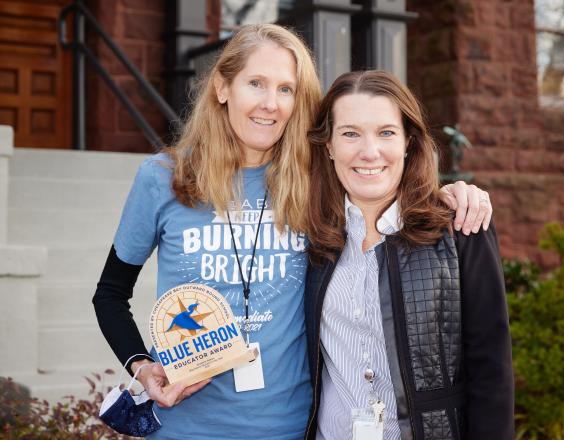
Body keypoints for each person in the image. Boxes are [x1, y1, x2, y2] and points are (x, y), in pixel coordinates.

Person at [92, 25, 493, 439]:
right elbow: (109, 293)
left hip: (290, 426)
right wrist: (140, 364)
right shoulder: (164, 178)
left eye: (287, 89)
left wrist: (453, 194)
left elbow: (380, 180)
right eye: (256, 84)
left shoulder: (314, 178)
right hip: (184, 425)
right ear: (222, 87)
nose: (271, 104)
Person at [304, 70, 514, 440]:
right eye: (350, 133)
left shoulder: (459, 227)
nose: (369, 152)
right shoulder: (309, 237)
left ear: (407, 142)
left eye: (386, 132)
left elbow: (491, 369)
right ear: (329, 145)